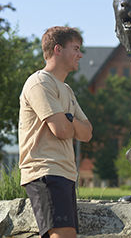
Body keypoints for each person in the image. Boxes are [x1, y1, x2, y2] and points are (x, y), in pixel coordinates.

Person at [19, 26, 93, 238]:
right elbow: (61, 130)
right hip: (45, 171)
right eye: (76, 48)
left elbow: (87, 134)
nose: (80, 54)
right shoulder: (39, 82)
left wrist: (68, 119)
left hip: (65, 172)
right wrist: (70, 122)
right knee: (63, 234)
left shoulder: (66, 89)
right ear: (58, 50)